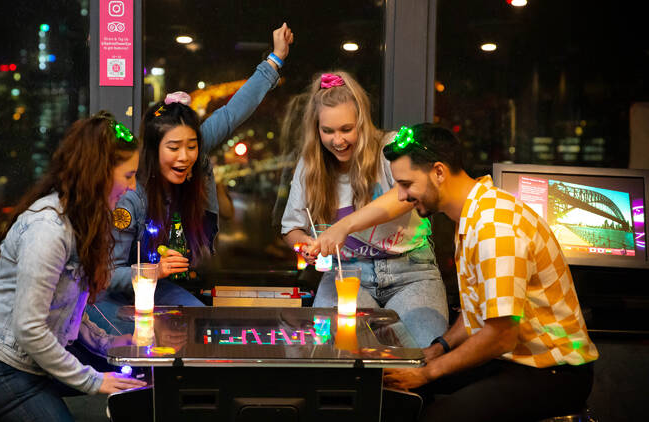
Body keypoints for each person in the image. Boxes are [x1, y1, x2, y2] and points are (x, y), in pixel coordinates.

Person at [366, 123, 597, 421]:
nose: (400, 196)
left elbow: (500, 335)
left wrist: (429, 372)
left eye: (407, 184)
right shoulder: (472, 215)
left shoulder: (495, 227)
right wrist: (437, 350)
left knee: (437, 415)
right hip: (512, 357)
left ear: (438, 172)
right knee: (398, 392)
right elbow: (480, 308)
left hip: (553, 372)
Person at [87, 23, 295, 333]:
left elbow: (234, 110)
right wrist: (152, 270)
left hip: (162, 289)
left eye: (192, 146)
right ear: (154, 150)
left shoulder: (194, 155)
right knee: (146, 339)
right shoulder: (132, 196)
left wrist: (275, 59)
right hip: (115, 296)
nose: (184, 156)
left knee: (202, 328)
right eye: (173, 148)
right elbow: (105, 273)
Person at [0, 112, 147, 421]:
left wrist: (109, 344)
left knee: (141, 379)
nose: (132, 187)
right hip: (0, 369)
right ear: (100, 173)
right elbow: (30, 328)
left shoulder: (83, 222)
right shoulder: (48, 229)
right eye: (128, 176)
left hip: (32, 363)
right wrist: (94, 380)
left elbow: (66, 311)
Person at [281, 71, 448, 348]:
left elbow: (405, 195)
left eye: (346, 129)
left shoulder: (390, 147)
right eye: (328, 131)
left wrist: (343, 226)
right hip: (344, 274)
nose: (338, 140)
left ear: (362, 121)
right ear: (316, 128)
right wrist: (304, 246)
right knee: (338, 351)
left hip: (411, 271)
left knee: (422, 352)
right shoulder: (309, 166)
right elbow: (292, 229)